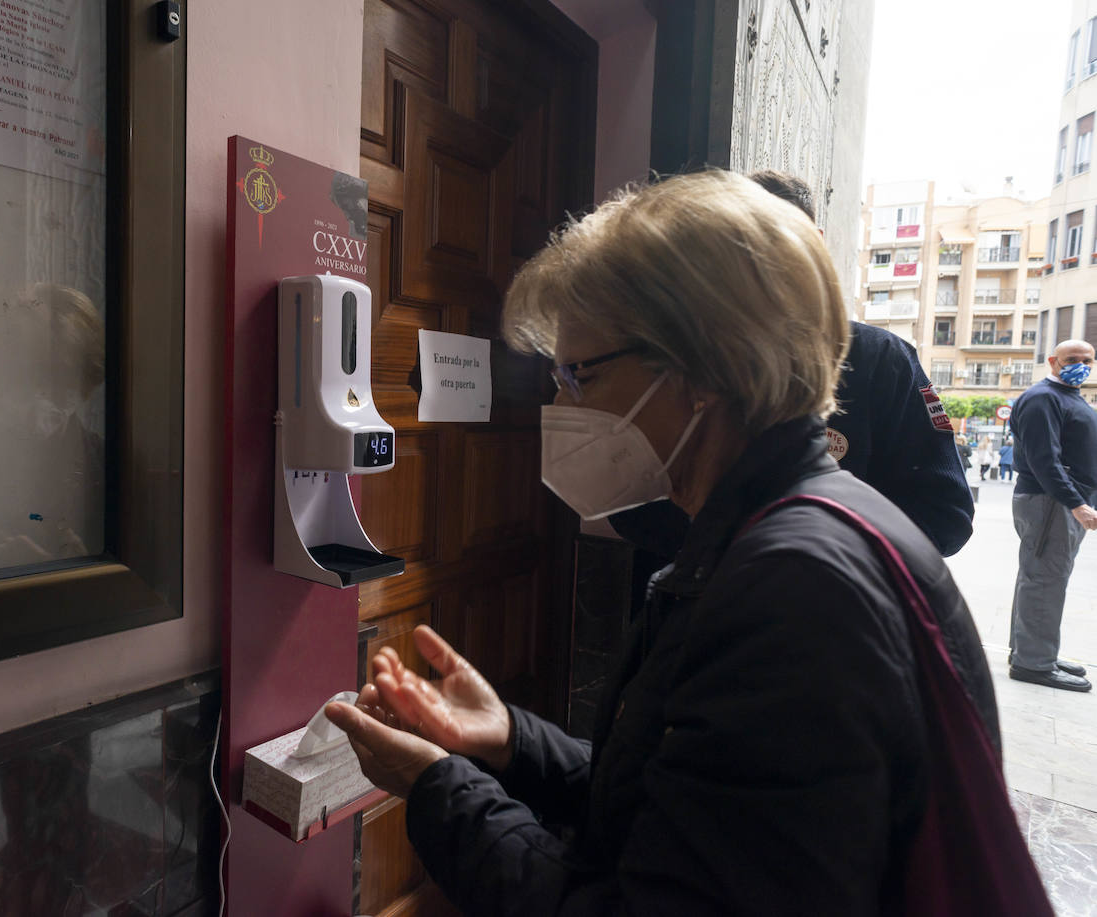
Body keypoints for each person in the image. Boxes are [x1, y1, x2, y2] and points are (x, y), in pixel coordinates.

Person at [325, 173, 1042, 916]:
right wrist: (510, 741)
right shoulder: (776, 526)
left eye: (578, 374)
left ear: (697, 372)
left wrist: (440, 788)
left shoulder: (792, 592)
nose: (560, 405)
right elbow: (682, 800)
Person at [608, 171, 974, 558]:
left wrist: (804, 554)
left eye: (776, 243)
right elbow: (631, 507)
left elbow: (944, 516)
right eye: (737, 249)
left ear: (813, 245)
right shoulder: (685, 359)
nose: (755, 267)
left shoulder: (880, 360)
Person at [1007, 339, 1097, 692]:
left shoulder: (1066, 396)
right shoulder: (1044, 398)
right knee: (1045, 579)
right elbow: (1045, 459)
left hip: (1056, 504)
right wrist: (1076, 503)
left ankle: (1033, 652)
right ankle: (1034, 663)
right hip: (1050, 504)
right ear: (1052, 361)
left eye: (1087, 359)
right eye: (1072, 359)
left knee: (1039, 576)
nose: (1080, 364)